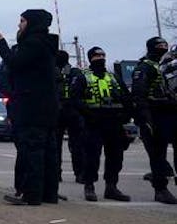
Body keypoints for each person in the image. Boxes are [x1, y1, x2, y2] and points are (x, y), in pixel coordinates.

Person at [0, 9, 60, 206]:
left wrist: (2, 46)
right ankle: (48, 193)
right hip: (46, 106)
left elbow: (15, 63)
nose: (19, 25)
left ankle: (31, 194)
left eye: (22, 21)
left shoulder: (33, 43)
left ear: (32, 23)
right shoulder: (46, 44)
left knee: (32, 151)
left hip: (32, 106)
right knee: (48, 151)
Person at [70, 47, 132, 202]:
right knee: (92, 157)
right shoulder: (84, 77)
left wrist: (126, 115)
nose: (100, 58)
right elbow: (75, 99)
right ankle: (89, 186)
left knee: (116, 157)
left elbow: (126, 97)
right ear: (91, 58)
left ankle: (111, 187)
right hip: (93, 123)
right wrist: (88, 115)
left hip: (114, 122)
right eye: (97, 56)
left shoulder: (113, 77)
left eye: (103, 55)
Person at [131, 36, 177, 204]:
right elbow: (138, 94)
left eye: (165, 45)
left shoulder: (170, 64)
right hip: (156, 113)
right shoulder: (144, 67)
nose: (163, 48)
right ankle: (160, 189)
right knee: (158, 154)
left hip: (173, 111)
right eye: (159, 46)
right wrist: (145, 118)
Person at [55, 50, 85, 183]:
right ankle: (79, 173)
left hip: (61, 111)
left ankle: (57, 173)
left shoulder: (57, 72)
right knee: (76, 145)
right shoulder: (74, 72)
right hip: (72, 112)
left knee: (57, 145)